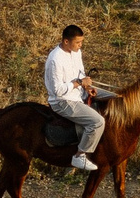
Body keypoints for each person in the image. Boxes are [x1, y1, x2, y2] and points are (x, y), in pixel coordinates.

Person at [42, 24, 105, 171]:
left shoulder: (77, 52)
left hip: (79, 93)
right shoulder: (55, 60)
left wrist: (88, 87)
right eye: (77, 42)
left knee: (113, 98)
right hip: (63, 101)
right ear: (66, 41)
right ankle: (79, 155)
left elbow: (80, 73)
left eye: (81, 42)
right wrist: (78, 83)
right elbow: (57, 91)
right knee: (97, 122)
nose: (80, 45)